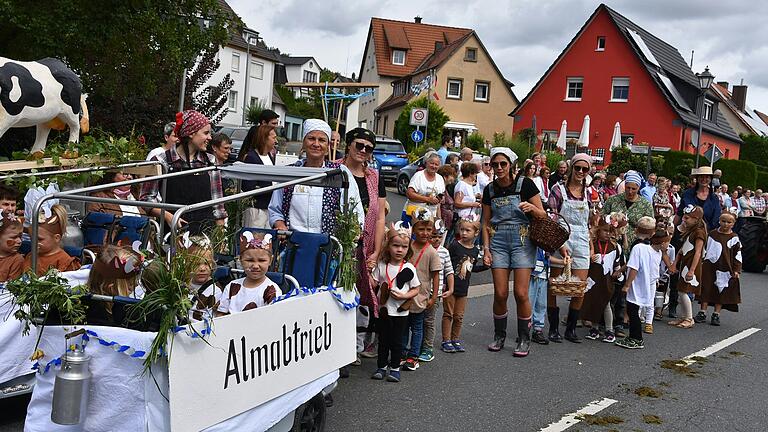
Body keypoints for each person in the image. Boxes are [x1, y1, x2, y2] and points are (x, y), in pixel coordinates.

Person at [481, 147, 552, 357]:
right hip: (499, 241)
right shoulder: (490, 190)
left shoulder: (526, 185)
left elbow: (544, 215)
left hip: (522, 240)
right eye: (495, 164)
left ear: (511, 165)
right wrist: (485, 248)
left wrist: (533, 209)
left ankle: (524, 338)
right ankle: (499, 335)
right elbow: (485, 222)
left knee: (521, 293)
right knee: (500, 293)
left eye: (503, 164)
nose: (499, 168)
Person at [269, 119, 364, 234]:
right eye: (311, 138)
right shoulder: (291, 172)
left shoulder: (339, 173)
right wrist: (279, 224)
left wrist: (350, 236)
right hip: (292, 244)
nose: (316, 144)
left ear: (328, 146)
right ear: (303, 143)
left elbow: (355, 211)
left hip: (329, 246)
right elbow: (275, 210)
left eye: (322, 140)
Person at [340, 127, 387, 352]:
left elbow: (379, 218)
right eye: (359, 145)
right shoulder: (334, 170)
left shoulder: (374, 177)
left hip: (364, 246)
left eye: (368, 148)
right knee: (339, 291)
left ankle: (354, 346)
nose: (363, 150)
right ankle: (337, 345)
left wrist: (377, 251)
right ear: (348, 144)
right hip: (338, 245)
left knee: (362, 294)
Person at [141, 110, 227, 233]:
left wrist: (219, 236)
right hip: (172, 233)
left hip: (204, 234)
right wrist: (167, 216)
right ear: (191, 134)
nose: (210, 137)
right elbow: (146, 199)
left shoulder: (210, 162)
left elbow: (218, 204)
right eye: (206, 133)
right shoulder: (162, 161)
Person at [547, 153, 594, 343]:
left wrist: (591, 243)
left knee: (580, 286)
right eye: (578, 168)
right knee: (555, 285)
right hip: (561, 236)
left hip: (582, 238)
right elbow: (552, 217)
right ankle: (553, 328)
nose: (581, 172)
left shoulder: (589, 193)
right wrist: (560, 242)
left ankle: (571, 329)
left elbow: (590, 222)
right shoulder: (558, 190)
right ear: (571, 168)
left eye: (585, 169)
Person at [371, 224, 420, 382]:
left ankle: (395, 368)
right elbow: (374, 284)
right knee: (383, 340)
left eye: (404, 247)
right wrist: (367, 272)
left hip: (400, 311)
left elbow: (416, 289)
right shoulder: (382, 265)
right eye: (396, 245)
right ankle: (381, 366)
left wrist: (404, 295)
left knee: (397, 341)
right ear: (388, 246)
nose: (399, 250)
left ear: (408, 248)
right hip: (384, 310)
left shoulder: (409, 268)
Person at [616, 225, 668, 349]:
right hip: (640, 284)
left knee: (632, 311)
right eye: (667, 243)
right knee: (633, 310)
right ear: (661, 243)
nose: (667, 246)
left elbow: (634, 267)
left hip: (639, 285)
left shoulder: (653, 252)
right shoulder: (644, 249)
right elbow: (633, 266)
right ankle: (634, 337)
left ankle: (637, 338)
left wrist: (627, 285)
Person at [401, 211, 441, 371]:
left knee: (417, 327)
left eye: (428, 229)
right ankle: (402, 352)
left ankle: (413, 355)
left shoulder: (431, 252)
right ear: (413, 229)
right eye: (420, 229)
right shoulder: (407, 246)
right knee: (403, 326)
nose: (425, 233)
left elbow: (436, 276)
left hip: (421, 296)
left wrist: (434, 297)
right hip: (404, 294)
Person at [217, 232, 281, 315]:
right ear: (240, 260)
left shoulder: (271, 290)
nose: (255, 266)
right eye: (249, 260)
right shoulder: (231, 286)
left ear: (270, 261)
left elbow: (273, 318)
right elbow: (221, 314)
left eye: (261, 260)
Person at [582, 215, 623, 343]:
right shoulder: (592, 245)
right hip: (593, 279)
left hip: (606, 280)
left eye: (610, 231)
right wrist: (590, 258)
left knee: (605, 304)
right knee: (594, 302)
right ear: (598, 230)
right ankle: (594, 328)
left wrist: (619, 273)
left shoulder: (615, 247)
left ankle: (609, 330)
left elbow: (617, 264)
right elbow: (585, 261)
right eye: (605, 230)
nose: (607, 234)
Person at [696, 211, 741, 326]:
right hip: (709, 266)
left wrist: (736, 270)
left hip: (725, 267)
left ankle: (716, 314)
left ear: (733, 224)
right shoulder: (712, 234)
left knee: (721, 289)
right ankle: (702, 311)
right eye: (723, 221)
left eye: (729, 222)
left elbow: (737, 255)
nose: (726, 224)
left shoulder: (734, 238)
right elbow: (704, 249)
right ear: (719, 221)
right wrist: (701, 261)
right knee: (706, 287)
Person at [443, 217, 480, 353]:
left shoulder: (475, 251)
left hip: (463, 288)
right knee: (448, 314)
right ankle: (446, 340)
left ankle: (455, 339)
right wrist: (444, 282)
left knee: (459, 316)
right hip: (451, 287)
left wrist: (485, 267)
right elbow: (446, 264)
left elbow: (471, 267)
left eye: (467, 230)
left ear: (476, 233)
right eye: (462, 229)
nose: (464, 233)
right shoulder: (454, 245)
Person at [86, 245, 143, 325]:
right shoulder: (118, 316)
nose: (136, 285)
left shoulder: (83, 299)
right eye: (130, 284)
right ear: (110, 287)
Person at [670, 205, 707, 329]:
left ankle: (689, 318)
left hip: (691, 266)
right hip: (685, 264)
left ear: (696, 219)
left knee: (683, 291)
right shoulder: (690, 231)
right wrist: (675, 263)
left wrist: (692, 270)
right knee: (680, 290)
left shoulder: (699, 232)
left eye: (687, 218)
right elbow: (681, 250)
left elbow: (698, 252)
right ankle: (683, 316)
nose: (684, 220)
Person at [603, 171, 654, 253]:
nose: (630, 191)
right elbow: (602, 217)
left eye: (634, 189)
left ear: (639, 188)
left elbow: (650, 226)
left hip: (635, 247)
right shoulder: (613, 200)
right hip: (612, 244)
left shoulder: (645, 205)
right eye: (628, 187)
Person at [23, 204, 81, 275]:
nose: (34, 242)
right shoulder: (30, 256)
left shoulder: (65, 262)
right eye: (31, 238)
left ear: (57, 238)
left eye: (39, 239)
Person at [240, 124, 278, 229]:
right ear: (264, 138)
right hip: (256, 210)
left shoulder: (269, 156)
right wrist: (271, 188)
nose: (276, 141)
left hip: (268, 206)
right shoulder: (251, 157)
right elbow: (248, 186)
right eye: (273, 138)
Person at [429, 223, 454, 355]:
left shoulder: (444, 252)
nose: (437, 239)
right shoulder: (425, 249)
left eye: (439, 237)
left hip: (436, 292)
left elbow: (449, 271)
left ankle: (428, 346)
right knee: (417, 321)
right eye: (434, 236)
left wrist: (450, 289)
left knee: (430, 321)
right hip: (422, 291)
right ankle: (416, 345)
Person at [402, 151, 445, 225]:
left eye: (436, 164)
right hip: (413, 214)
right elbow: (409, 193)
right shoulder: (419, 176)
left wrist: (441, 199)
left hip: (430, 216)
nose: (434, 166)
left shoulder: (440, 178)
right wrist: (428, 199)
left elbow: (441, 196)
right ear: (426, 163)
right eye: (432, 163)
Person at [675, 166, 721, 231]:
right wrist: (672, 229)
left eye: (707, 177)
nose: (704, 179)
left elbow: (716, 218)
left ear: (710, 179)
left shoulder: (714, 198)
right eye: (701, 176)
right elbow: (679, 213)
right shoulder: (687, 194)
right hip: (686, 231)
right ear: (697, 178)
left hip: (705, 233)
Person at [0, 212, 23, 282]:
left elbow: (10, 287)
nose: (19, 241)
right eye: (14, 237)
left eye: (20, 237)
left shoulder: (17, 260)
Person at [437, 165, 457, 241]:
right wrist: (439, 220)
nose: (453, 179)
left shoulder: (445, 188)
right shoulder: (440, 189)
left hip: (446, 221)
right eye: (451, 176)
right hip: (442, 220)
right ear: (445, 177)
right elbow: (438, 205)